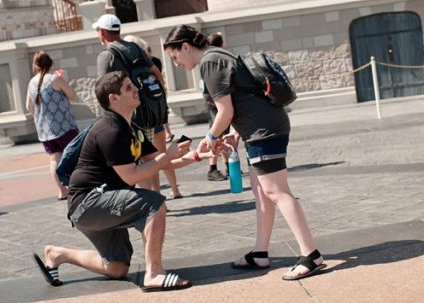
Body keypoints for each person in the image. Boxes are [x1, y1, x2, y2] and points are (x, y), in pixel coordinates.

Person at [162, 25, 327, 280]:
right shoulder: (218, 55)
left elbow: (224, 111)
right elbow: (244, 97)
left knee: (276, 191)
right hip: (261, 129)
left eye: (175, 57)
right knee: (261, 193)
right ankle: (260, 252)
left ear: (185, 46)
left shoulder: (210, 61)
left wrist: (209, 139)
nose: (176, 63)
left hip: (264, 131)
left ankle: (311, 255)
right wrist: (235, 134)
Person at [31, 71, 203, 291]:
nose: (136, 89)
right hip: (88, 204)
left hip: (100, 201)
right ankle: (154, 274)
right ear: (113, 98)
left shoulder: (131, 129)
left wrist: (200, 154)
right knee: (154, 204)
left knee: (117, 268)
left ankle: (57, 254)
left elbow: (162, 162)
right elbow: (132, 176)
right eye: (129, 87)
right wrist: (167, 156)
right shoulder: (109, 130)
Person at [94, 15, 182, 199]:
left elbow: (105, 90)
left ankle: (150, 202)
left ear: (102, 32)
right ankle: (158, 198)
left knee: (140, 163)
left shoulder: (107, 56)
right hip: (151, 111)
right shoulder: (134, 47)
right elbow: (155, 72)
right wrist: (159, 99)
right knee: (153, 158)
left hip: (132, 117)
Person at [25, 51, 79, 201]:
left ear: (35, 65)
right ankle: (77, 187)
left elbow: (28, 106)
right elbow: (72, 95)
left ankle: (62, 191)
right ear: (50, 63)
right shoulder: (55, 78)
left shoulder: (31, 82)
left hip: (45, 130)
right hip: (64, 125)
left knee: (54, 159)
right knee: (74, 155)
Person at [202, 32, 228, 182]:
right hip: (214, 105)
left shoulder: (212, 59)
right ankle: (212, 168)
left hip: (215, 103)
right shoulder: (213, 60)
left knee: (222, 136)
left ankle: (228, 166)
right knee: (216, 135)